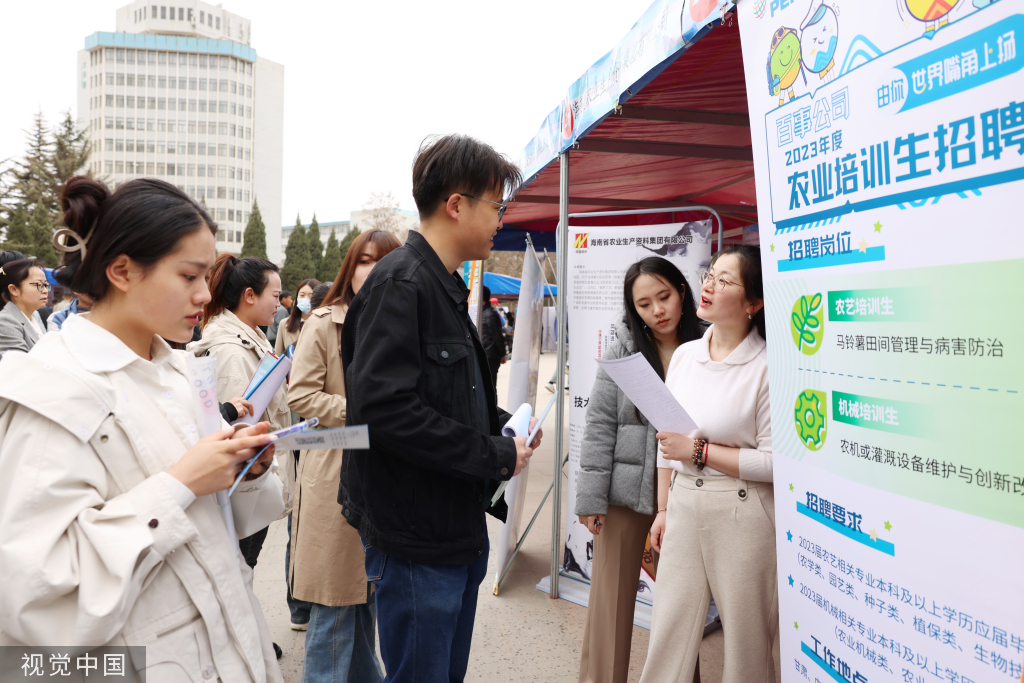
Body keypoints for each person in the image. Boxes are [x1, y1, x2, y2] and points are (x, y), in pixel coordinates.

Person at [0, 176, 284, 680]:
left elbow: (217, 526)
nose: (205, 294)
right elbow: (35, 602)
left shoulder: (176, 370)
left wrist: (244, 469)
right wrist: (179, 484)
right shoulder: (51, 390)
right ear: (122, 271)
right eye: (189, 276)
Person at [340, 134, 542, 683]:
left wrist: (505, 429)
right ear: (457, 204)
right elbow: (385, 415)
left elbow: (447, 395)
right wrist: (492, 453)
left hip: (452, 529)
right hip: (414, 540)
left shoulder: (444, 285)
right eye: (496, 205)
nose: (502, 218)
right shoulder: (401, 284)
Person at [639, 245, 772, 683]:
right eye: (710, 273)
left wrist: (699, 453)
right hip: (682, 505)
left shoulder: (769, 366)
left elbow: (775, 464)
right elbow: (667, 439)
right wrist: (662, 509)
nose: (709, 284)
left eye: (725, 279)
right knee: (668, 635)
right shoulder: (685, 356)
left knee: (746, 645)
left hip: (743, 513)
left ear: (754, 303)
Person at [575, 257, 704, 683]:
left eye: (664, 296)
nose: (658, 310)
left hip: (689, 491)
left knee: (681, 608)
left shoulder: (710, 347)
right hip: (624, 494)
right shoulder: (624, 351)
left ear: (682, 291)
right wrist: (591, 499)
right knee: (610, 603)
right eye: (645, 304)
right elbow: (599, 426)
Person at [288, 229, 400, 683]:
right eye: (364, 261)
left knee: (362, 601)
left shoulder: (400, 319)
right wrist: (365, 415)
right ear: (349, 267)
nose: (372, 272)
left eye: (384, 262)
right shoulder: (323, 321)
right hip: (335, 466)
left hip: (384, 473)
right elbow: (302, 395)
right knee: (335, 604)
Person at [189, 255, 292, 572]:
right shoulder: (233, 352)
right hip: (244, 491)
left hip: (252, 484)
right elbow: (230, 431)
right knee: (239, 571)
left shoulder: (251, 336)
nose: (279, 303)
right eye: (275, 296)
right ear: (250, 296)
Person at [0, 258, 49, 354]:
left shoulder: (35, 315)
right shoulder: (5, 321)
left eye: (46, 285)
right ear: (14, 289)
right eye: (39, 285)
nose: (45, 291)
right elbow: (20, 364)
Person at [276, 278, 319, 357]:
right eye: (302, 295)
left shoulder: (323, 325)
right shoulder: (285, 324)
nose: (306, 299)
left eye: (311, 295)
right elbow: (278, 356)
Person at [479, 285, 506, 389]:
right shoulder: (482, 312)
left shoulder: (491, 313)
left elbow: (497, 336)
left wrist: (502, 354)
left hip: (490, 355)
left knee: (490, 386)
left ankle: (492, 406)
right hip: (485, 353)